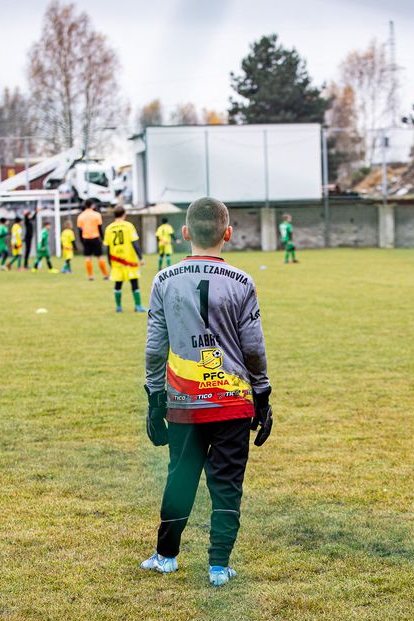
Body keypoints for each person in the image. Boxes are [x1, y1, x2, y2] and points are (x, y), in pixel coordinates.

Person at [141, 196, 272, 587]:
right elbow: (253, 349)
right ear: (227, 234)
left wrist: (154, 399)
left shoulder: (163, 279)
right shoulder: (243, 282)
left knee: (180, 477)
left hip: (184, 401)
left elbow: (154, 346)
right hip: (232, 402)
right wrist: (262, 398)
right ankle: (218, 566)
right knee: (227, 482)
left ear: (185, 234)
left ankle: (166, 557)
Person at [103, 206, 145, 313]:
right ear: (124, 214)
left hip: (116, 261)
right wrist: (140, 257)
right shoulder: (129, 226)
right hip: (129, 260)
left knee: (118, 284)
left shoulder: (109, 228)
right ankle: (138, 306)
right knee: (134, 282)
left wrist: (109, 262)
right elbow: (135, 243)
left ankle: (118, 307)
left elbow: (107, 247)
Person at [77, 199, 109, 281]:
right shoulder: (97, 215)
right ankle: (105, 275)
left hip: (86, 238)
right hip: (95, 238)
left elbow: (80, 230)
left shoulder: (81, 216)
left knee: (88, 257)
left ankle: (90, 276)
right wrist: (102, 238)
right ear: (92, 205)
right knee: (100, 257)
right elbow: (100, 228)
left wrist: (81, 240)